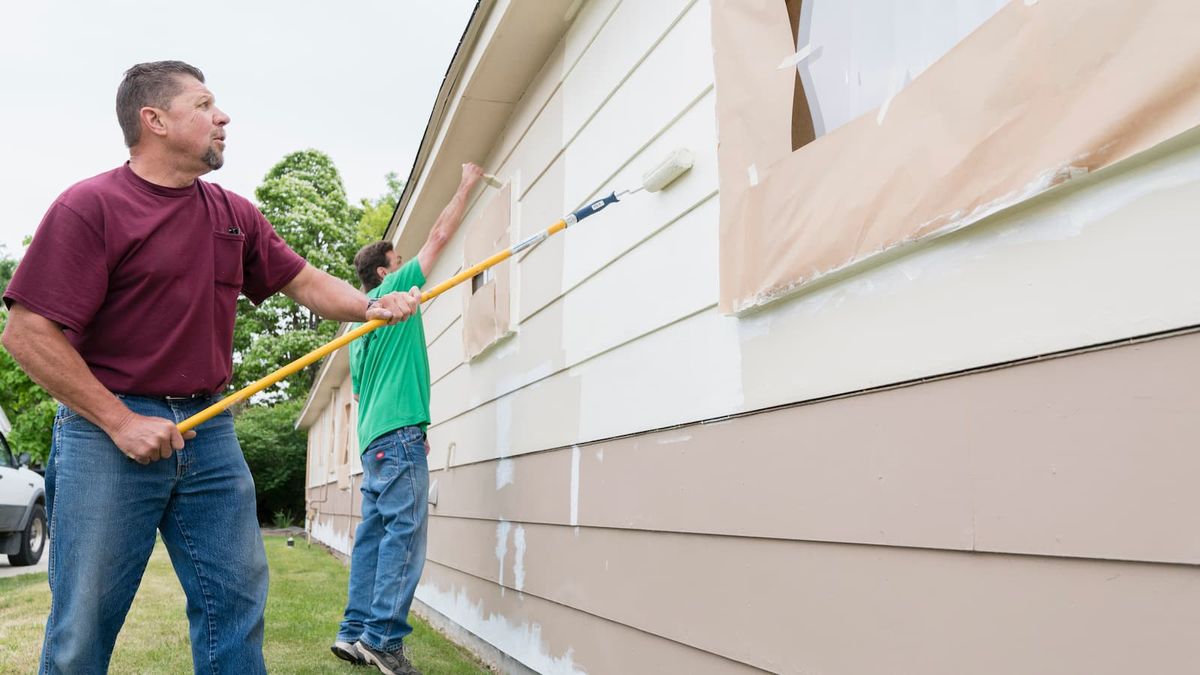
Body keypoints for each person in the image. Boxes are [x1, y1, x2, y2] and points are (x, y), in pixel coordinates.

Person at [0, 60, 420, 674]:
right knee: (85, 616)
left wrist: (370, 304)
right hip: (105, 431)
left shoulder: (232, 213)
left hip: (210, 426)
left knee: (237, 596)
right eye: (203, 106)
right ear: (155, 121)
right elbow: (27, 334)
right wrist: (121, 422)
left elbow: (301, 280)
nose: (222, 117)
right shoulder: (91, 207)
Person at [332, 162, 483, 675]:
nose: (408, 266)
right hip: (399, 438)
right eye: (399, 261)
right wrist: (467, 183)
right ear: (385, 273)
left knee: (374, 538)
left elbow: (357, 390)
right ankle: (384, 639)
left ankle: (354, 634)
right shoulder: (392, 292)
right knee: (406, 534)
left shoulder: (356, 328)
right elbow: (440, 235)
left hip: (373, 442)